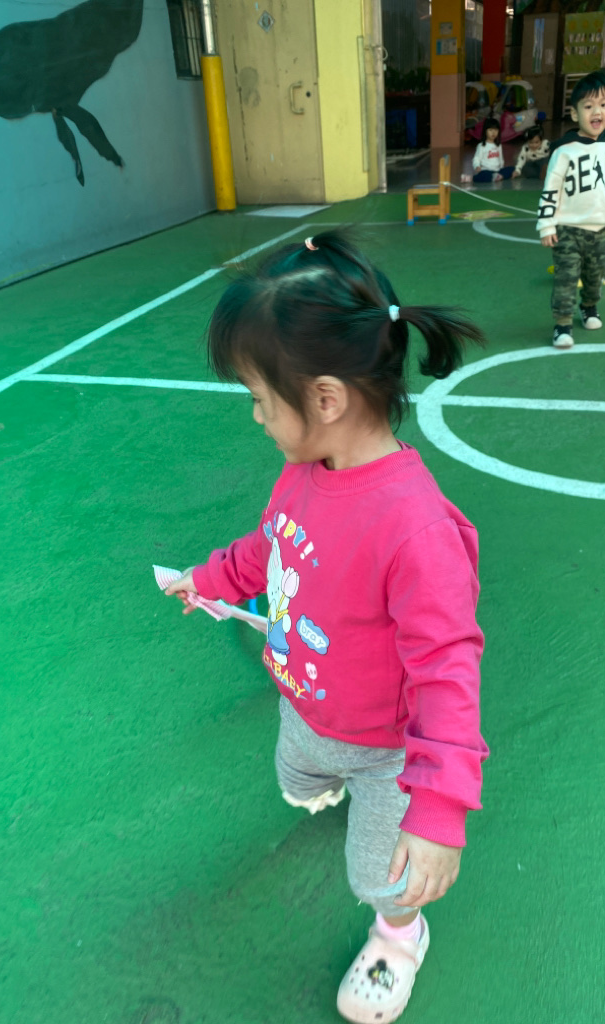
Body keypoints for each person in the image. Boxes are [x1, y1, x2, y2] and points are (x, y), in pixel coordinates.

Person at [164, 230, 489, 1024]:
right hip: (305, 709)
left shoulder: (414, 530)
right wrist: (210, 577)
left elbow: (447, 669)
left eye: (259, 400)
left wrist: (438, 807)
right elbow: (270, 546)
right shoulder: (305, 472)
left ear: (327, 399)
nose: (255, 417)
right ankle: (321, 782)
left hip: (385, 751)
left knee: (382, 875)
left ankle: (399, 936)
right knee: (299, 779)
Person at [537, 71, 605, 350]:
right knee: (566, 278)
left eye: (603, 105)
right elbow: (551, 189)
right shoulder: (564, 151)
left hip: (601, 227)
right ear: (575, 113)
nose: (596, 112)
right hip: (567, 229)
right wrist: (546, 225)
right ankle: (562, 324)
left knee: (595, 275)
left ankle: (589, 307)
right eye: (588, 106)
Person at [470, 117, 515, 182]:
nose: (493, 133)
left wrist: (502, 168)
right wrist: (477, 166)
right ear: (485, 131)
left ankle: (499, 176)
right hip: (486, 171)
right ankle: (472, 178)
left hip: (498, 170)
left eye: (496, 130)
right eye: (490, 130)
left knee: (513, 169)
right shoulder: (481, 146)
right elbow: (476, 158)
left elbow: (501, 158)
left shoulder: (498, 145)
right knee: (484, 175)